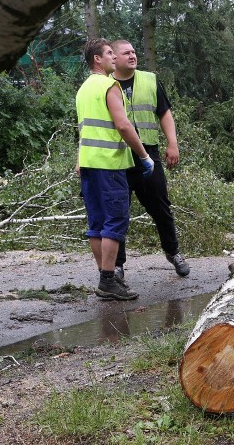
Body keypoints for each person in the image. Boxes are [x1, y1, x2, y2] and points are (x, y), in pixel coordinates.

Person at [76, 38, 155, 301]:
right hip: (109, 164)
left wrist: (79, 160)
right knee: (115, 220)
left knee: (96, 223)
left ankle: (104, 277)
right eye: (109, 53)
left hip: (88, 164)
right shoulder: (110, 85)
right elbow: (123, 125)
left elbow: (83, 130)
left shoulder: (83, 89)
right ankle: (108, 280)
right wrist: (144, 155)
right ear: (97, 59)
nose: (113, 57)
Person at [110, 39, 189, 284]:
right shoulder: (105, 84)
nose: (133, 56)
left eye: (134, 51)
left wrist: (172, 143)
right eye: (127, 53)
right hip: (117, 156)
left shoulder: (150, 80)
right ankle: (117, 266)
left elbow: (164, 113)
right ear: (114, 57)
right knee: (118, 212)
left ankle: (173, 252)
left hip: (149, 155)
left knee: (161, 207)